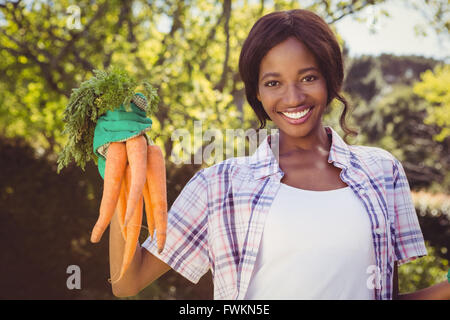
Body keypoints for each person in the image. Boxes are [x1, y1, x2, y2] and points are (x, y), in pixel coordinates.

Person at [109, 9, 450, 300]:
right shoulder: (219, 185)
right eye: (273, 83)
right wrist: (122, 175)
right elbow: (128, 281)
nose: (293, 97)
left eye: (308, 77)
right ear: (257, 92)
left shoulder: (382, 170)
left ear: (331, 80)